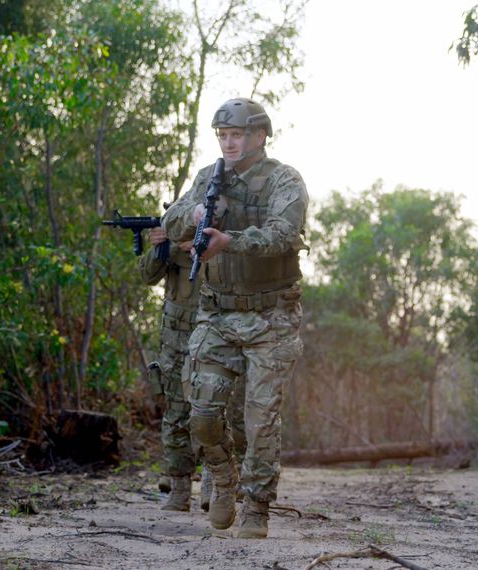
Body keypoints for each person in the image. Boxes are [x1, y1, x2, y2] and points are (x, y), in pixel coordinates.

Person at [163, 97, 308, 539]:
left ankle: (257, 506)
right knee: (202, 414)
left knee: (260, 421)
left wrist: (231, 240)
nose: (229, 143)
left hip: (271, 316)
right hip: (218, 312)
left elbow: (285, 234)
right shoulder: (209, 177)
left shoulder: (284, 180)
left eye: (238, 134)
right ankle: (223, 477)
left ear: (260, 135)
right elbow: (169, 221)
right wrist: (191, 215)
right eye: (223, 136)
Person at [137, 226, 247, 512]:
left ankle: (214, 479)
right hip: (176, 337)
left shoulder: (223, 238)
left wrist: (207, 246)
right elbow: (148, 275)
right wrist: (164, 247)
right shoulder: (172, 240)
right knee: (175, 412)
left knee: (212, 410)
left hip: (215, 335)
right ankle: (179, 487)